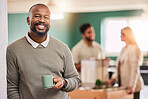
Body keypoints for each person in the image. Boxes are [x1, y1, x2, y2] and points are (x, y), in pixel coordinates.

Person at [7, 3, 80, 99]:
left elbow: (75, 80)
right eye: (37, 16)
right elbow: (11, 87)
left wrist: (64, 83)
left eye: (46, 17)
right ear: (28, 20)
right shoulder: (13, 49)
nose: (42, 20)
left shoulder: (63, 48)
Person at [109, 27, 144, 99]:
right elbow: (119, 68)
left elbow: (135, 69)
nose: (120, 36)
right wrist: (113, 78)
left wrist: (132, 85)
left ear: (126, 35)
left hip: (132, 86)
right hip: (123, 85)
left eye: (121, 34)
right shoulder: (123, 49)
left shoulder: (134, 49)